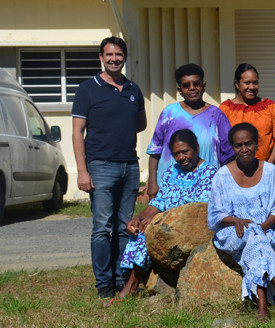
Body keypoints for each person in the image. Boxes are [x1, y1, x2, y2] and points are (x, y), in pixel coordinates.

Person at [71, 36, 147, 298]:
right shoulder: (87, 89)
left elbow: (140, 123)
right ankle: (104, 283)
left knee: (127, 225)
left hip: (130, 166)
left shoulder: (133, 89)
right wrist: (82, 171)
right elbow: (77, 132)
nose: (114, 59)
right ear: (101, 58)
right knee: (103, 227)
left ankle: (121, 277)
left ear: (125, 57)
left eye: (119, 55)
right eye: (109, 55)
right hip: (100, 166)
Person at [107, 129, 216, 307]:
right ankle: (131, 283)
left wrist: (160, 220)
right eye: (176, 154)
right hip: (167, 222)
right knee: (138, 229)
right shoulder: (172, 171)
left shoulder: (208, 172)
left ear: (196, 149)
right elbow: (160, 201)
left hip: (190, 225)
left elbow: (198, 208)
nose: (181, 157)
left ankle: (130, 287)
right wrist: (140, 217)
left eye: (185, 151)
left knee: (148, 232)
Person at [207, 123, 275, 320]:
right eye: (238, 145)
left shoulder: (271, 171)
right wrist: (235, 219)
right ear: (232, 147)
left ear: (257, 144)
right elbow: (214, 215)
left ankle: (262, 307)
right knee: (254, 234)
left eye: (248, 144)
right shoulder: (222, 175)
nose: (244, 149)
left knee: (256, 239)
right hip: (232, 233)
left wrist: (261, 227)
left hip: (265, 231)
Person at [145, 63, 233, 199]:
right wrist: (152, 183)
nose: (192, 88)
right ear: (180, 90)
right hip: (169, 188)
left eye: (196, 84)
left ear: (204, 86)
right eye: (186, 85)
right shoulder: (169, 113)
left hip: (204, 189)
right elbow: (155, 150)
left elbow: (229, 156)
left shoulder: (217, 115)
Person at [219, 63, 275, 164]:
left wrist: (268, 167)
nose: (252, 87)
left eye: (255, 82)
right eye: (247, 83)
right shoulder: (225, 109)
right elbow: (222, 143)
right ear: (237, 84)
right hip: (237, 171)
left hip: (269, 166)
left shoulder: (269, 106)